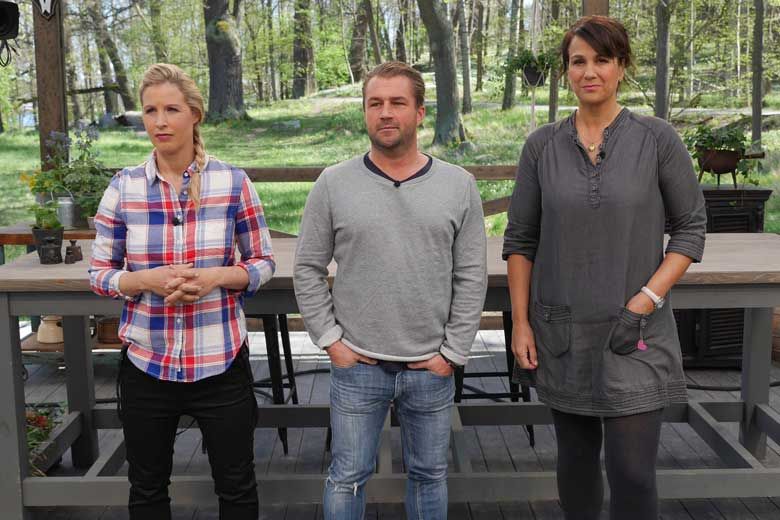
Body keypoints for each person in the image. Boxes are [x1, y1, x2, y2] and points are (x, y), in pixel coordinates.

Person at [503, 16, 706, 520]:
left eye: (602, 60)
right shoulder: (541, 146)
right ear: (565, 70)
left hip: (636, 332)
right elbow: (521, 240)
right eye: (578, 61)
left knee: (632, 472)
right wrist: (521, 323)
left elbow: (690, 229)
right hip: (562, 333)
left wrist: (645, 301)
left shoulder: (657, 139)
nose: (589, 71)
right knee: (575, 467)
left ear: (622, 66)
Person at [293, 61, 487, 519]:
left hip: (431, 365)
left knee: (430, 476)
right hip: (358, 362)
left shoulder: (458, 185)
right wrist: (332, 342)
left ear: (419, 112)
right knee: (346, 476)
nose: (385, 112)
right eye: (374, 103)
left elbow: (471, 275)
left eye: (397, 102)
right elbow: (307, 267)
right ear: (364, 111)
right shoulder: (333, 183)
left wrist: (452, 353)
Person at [89, 63, 275, 520]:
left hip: (219, 362)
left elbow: (262, 263)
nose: (159, 121)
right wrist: (143, 281)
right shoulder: (124, 187)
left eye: (171, 109)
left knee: (237, 486)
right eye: (150, 110)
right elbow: (100, 274)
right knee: (147, 488)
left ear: (195, 114)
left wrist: (215, 277)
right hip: (147, 363)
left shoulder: (233, 183)